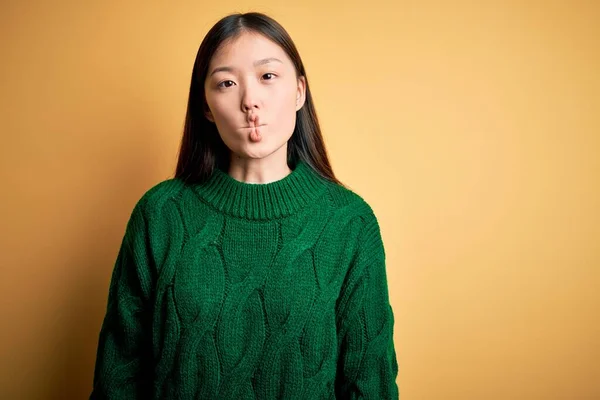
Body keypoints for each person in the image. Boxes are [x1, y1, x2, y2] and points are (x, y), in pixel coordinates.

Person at [90, 11, 399, 400]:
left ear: (300, 91)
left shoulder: (350, 223)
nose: (249, 100)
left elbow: (371, 386)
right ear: (205, 105)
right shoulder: (160, 216)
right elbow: (117, 379)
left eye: (267, 76)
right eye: (226, 83)